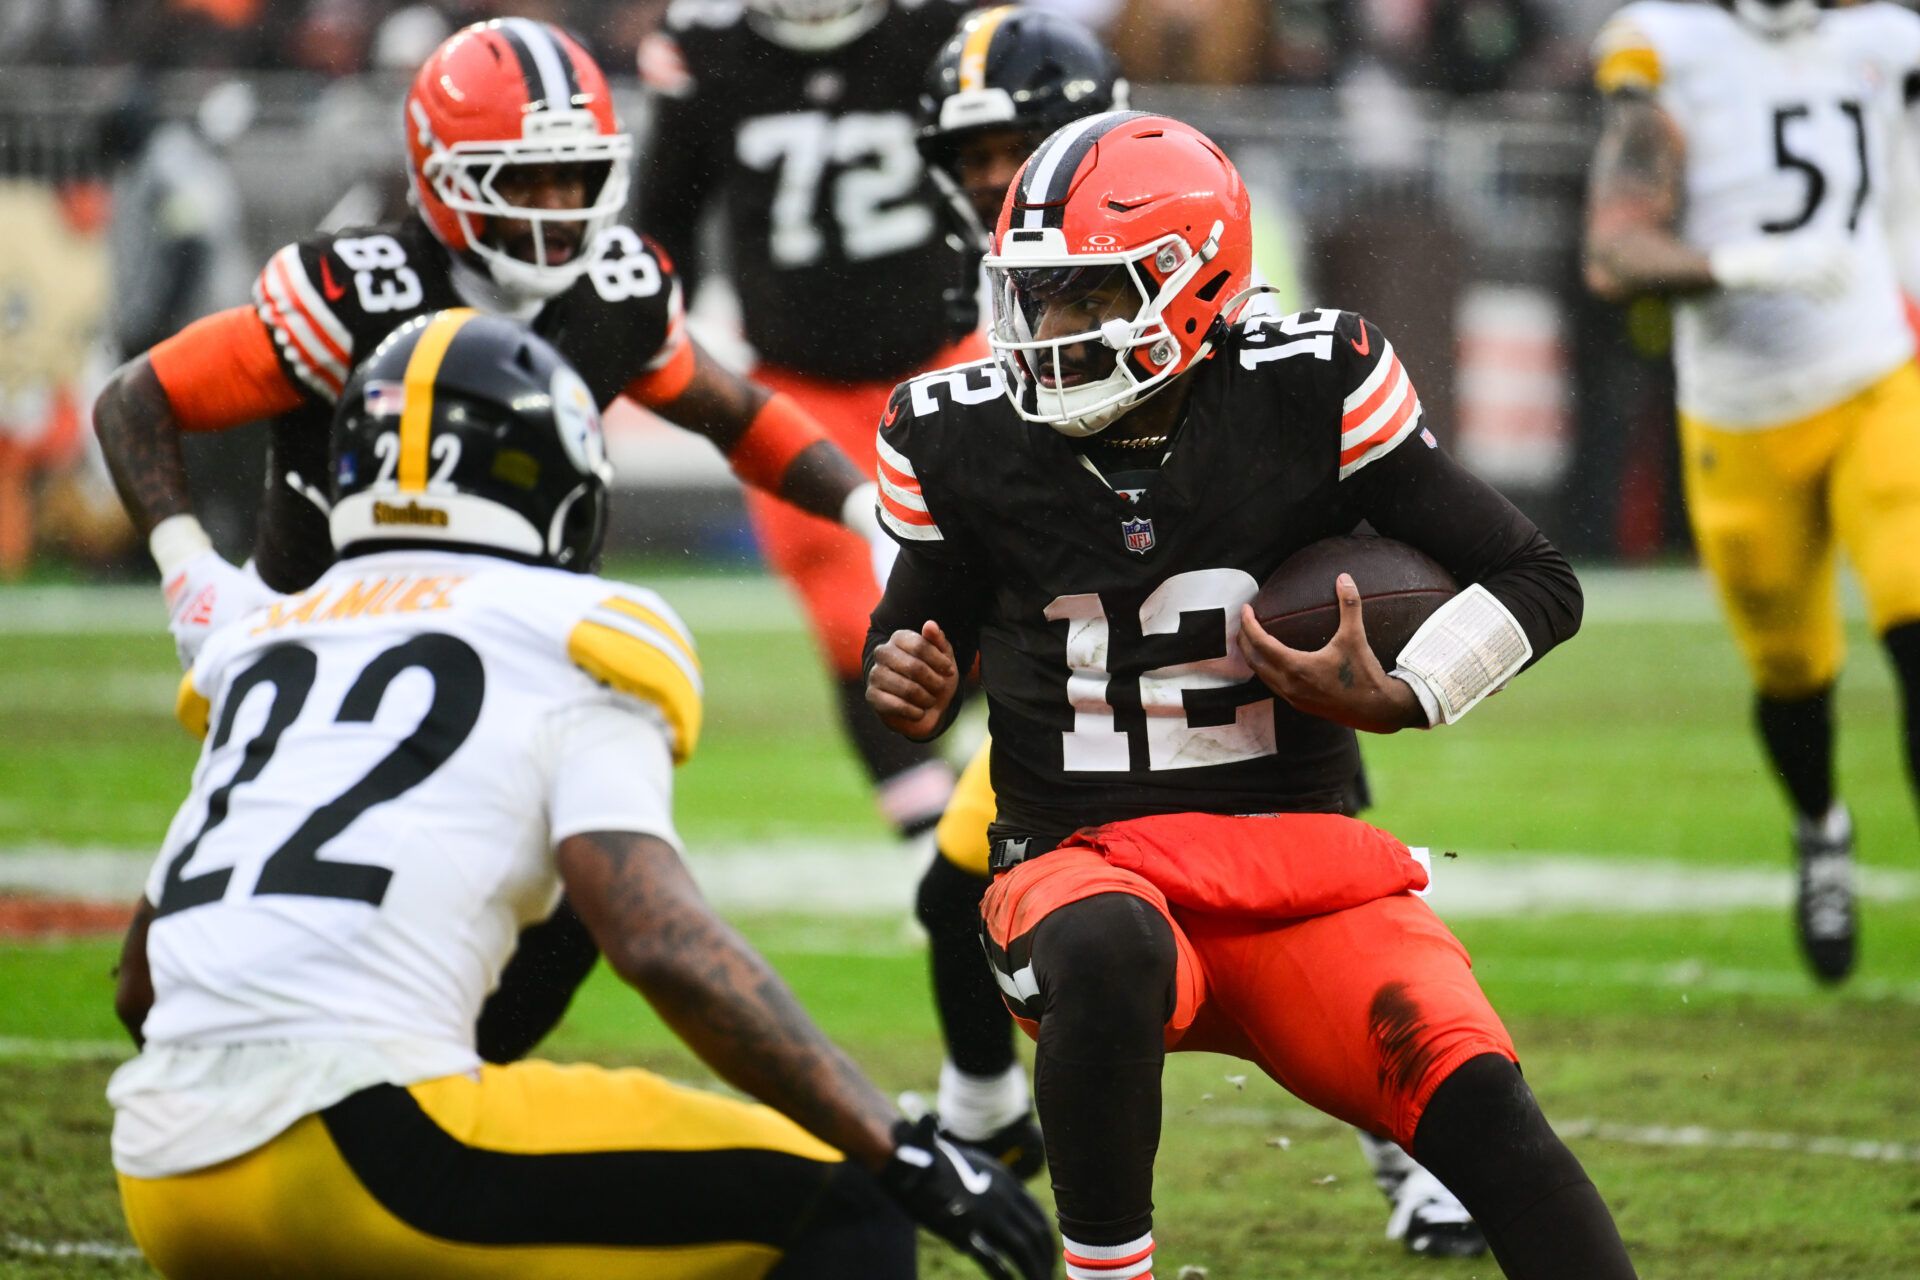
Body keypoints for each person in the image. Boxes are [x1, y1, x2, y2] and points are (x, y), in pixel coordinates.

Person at [106, 310, 1054, 1280]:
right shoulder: (578, 625)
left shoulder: (268, 639)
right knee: (848, 1202)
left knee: (560, 926)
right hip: (365, 1155)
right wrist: (895, 1146)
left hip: (163, 1176)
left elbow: (141, 982)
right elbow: (659, 939)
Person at [865, 111, 1637, 1280]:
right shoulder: (957, 433)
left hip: (1299, 867)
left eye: (1089, 297)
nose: (1052, 330)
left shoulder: (1309, 386)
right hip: (1079, 862)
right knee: (1114, 947)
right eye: (1039, 297)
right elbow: (911, 645)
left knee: (1488, 1111)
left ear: (1195, 286)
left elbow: (1539, 576)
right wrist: (907, 680)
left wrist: (1408, 689)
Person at [912, 7, 1483, 1256]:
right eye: (970, 155)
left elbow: (1256, 419)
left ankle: (1408, 1141)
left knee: (1313, 846)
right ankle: (992, 1116)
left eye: (1020, 142)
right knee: (967, 886)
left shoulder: (1180, 248)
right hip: (1086, 656)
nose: (997, 177)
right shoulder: (1014, 277)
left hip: (1231, 628)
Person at [92, 17, 892, 674]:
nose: (555, 209)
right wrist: (192, 571)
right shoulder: (356, 297)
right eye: (522, 179)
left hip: (515, 652)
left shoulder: (614, 295)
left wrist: (871, 515)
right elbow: (137, 400)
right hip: (317, 644)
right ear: (440, 177)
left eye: (573, 177)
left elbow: (742, 417)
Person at [1583, 0, 1920, 984]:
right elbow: (1613, 250)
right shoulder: (1663, 45)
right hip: (1739, 411)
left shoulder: (1886, 40)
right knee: (1791, 672)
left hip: (1876, 377)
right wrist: (1737, 264)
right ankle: (1822, 828)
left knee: (1915, 621)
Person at [634, 0, 980, 846]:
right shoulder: (708, 49)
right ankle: (929, 820)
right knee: (853, 617)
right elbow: (662, 223)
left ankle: (950, 792)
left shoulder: (932, 31)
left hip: (942, 352)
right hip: (796, 385)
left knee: (997, 578)